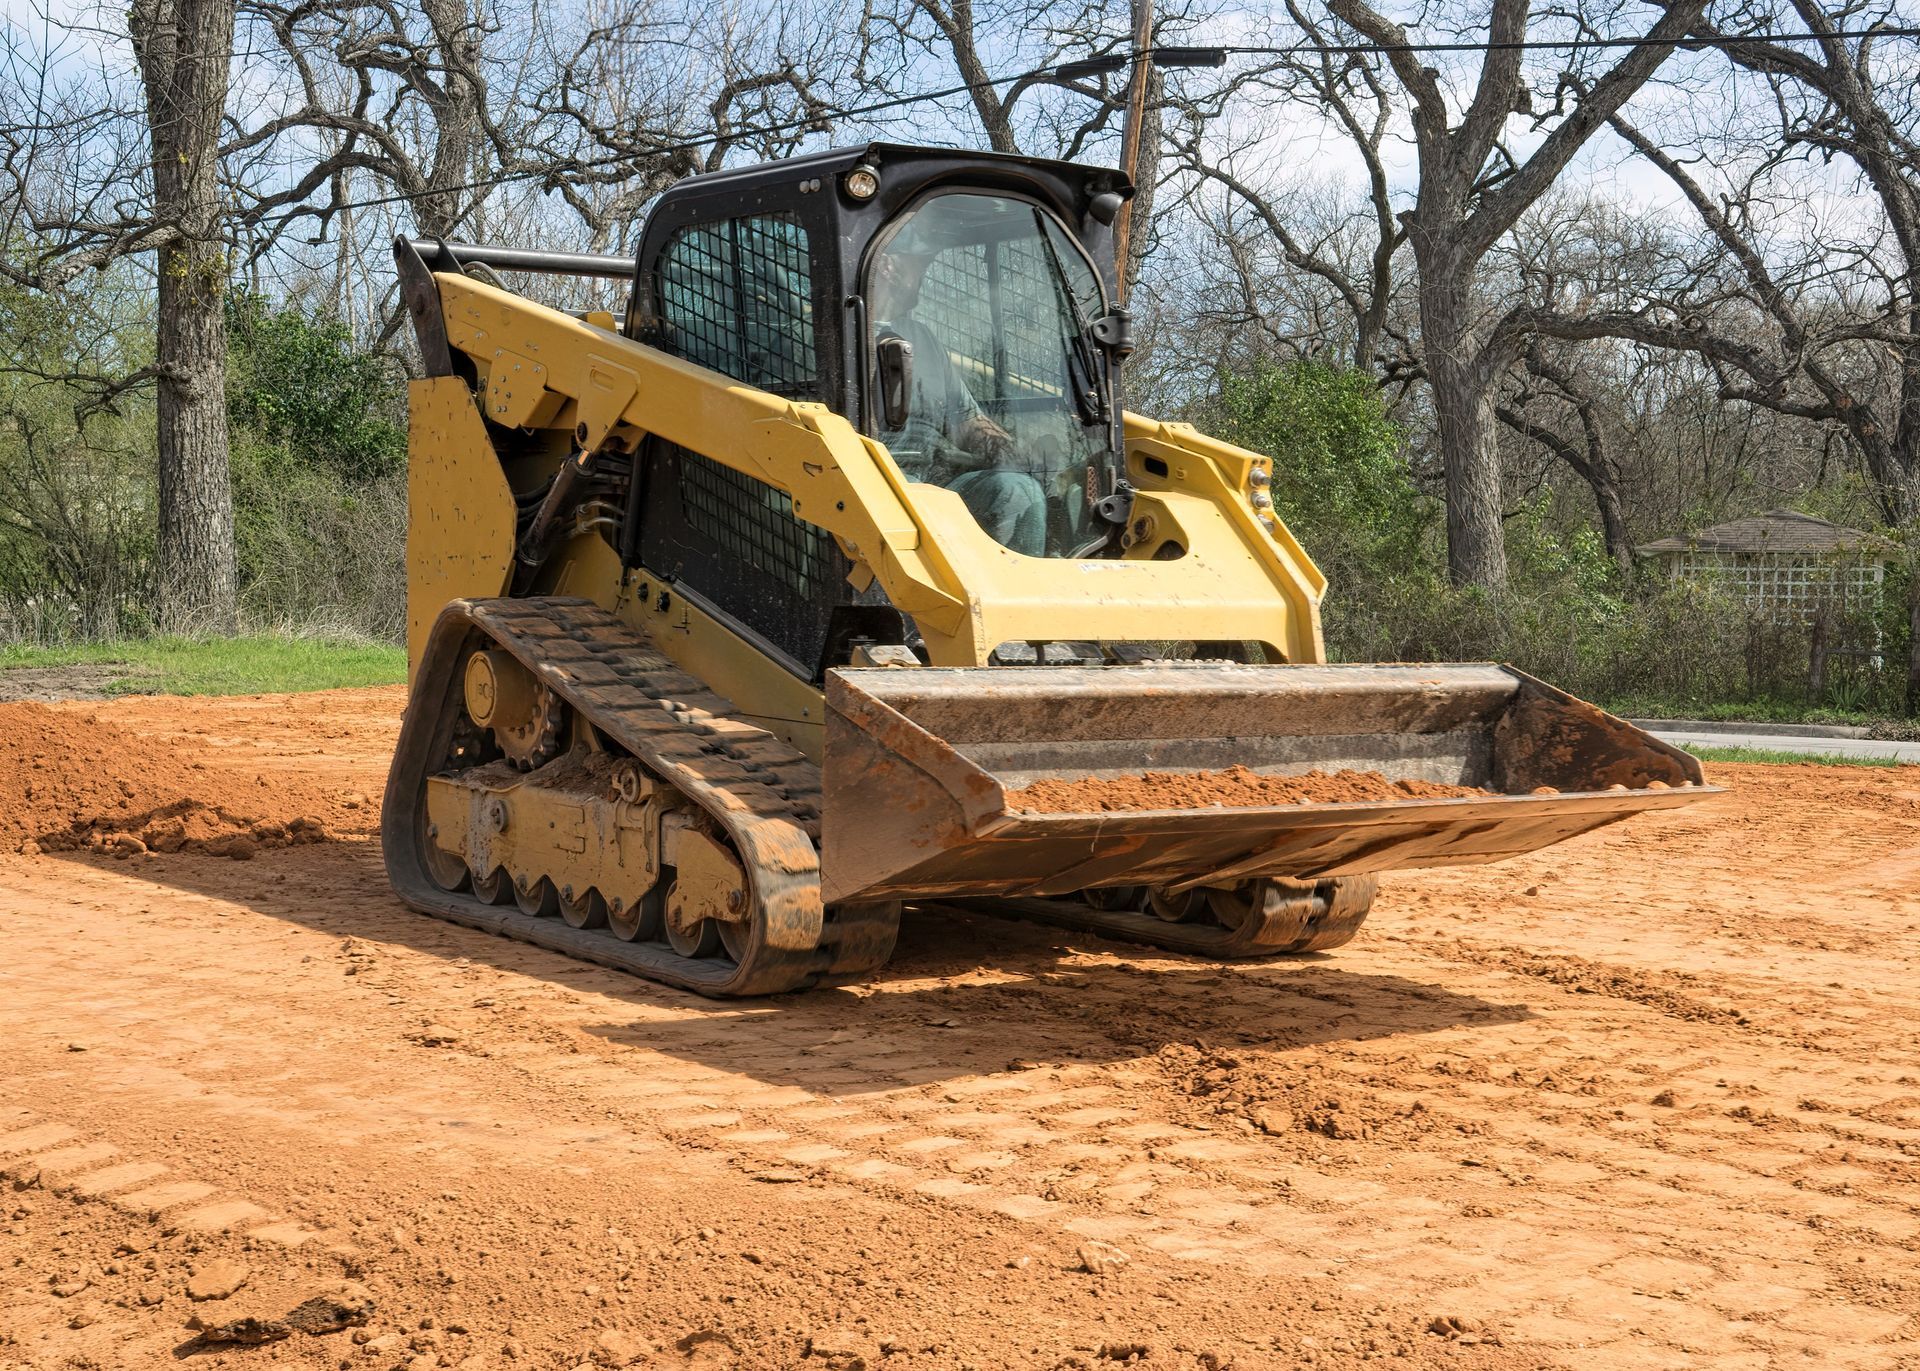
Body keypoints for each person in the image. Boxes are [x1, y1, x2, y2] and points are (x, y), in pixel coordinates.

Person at [870, 242, 1049, 556]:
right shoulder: (832, 335)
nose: (924, 272)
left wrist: (1020, 457)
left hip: (931, 486)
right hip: (871, 486)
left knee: (1017, 491)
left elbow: (967, 421)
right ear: (889, 267)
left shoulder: (921, 338)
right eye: (920, 263)